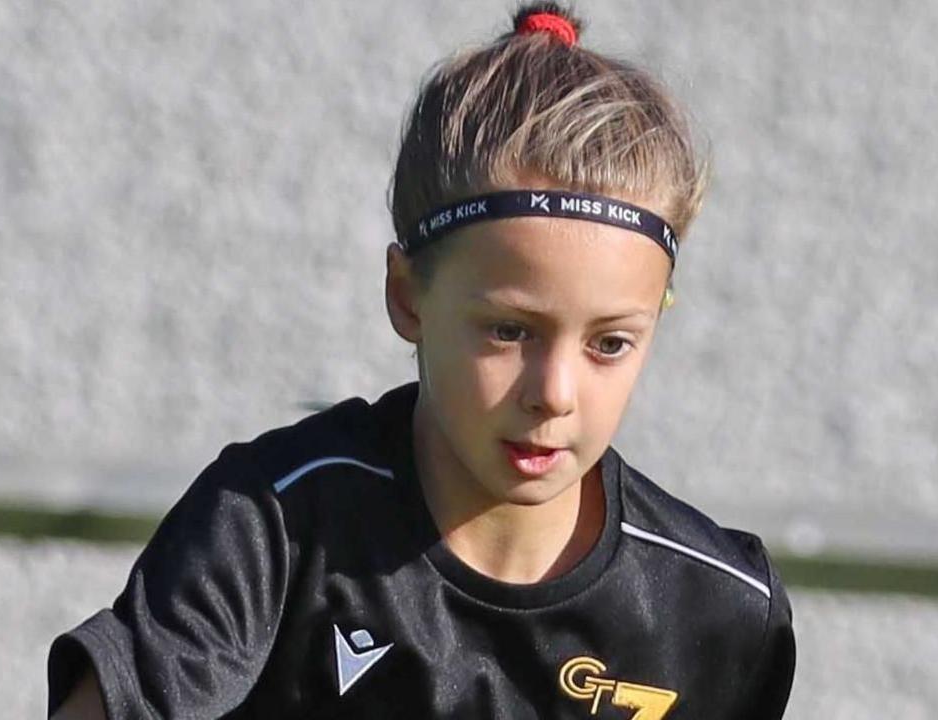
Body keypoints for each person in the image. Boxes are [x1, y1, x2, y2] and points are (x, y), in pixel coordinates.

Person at [47, 3, 795, 718]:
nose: (555, 393)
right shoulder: (273, 527)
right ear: (407, 298)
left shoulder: (722, 611)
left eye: (610, 343)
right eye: (508, 331)